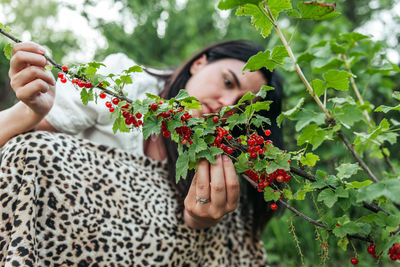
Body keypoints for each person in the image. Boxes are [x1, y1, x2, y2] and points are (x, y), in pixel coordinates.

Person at [0, 40, 283, 266]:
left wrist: (200, 221)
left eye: (241, 108)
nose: (226, 104)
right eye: (228, 82)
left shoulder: (218, 158)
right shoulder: (121, 87)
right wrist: (28, 112)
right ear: (200, 63)